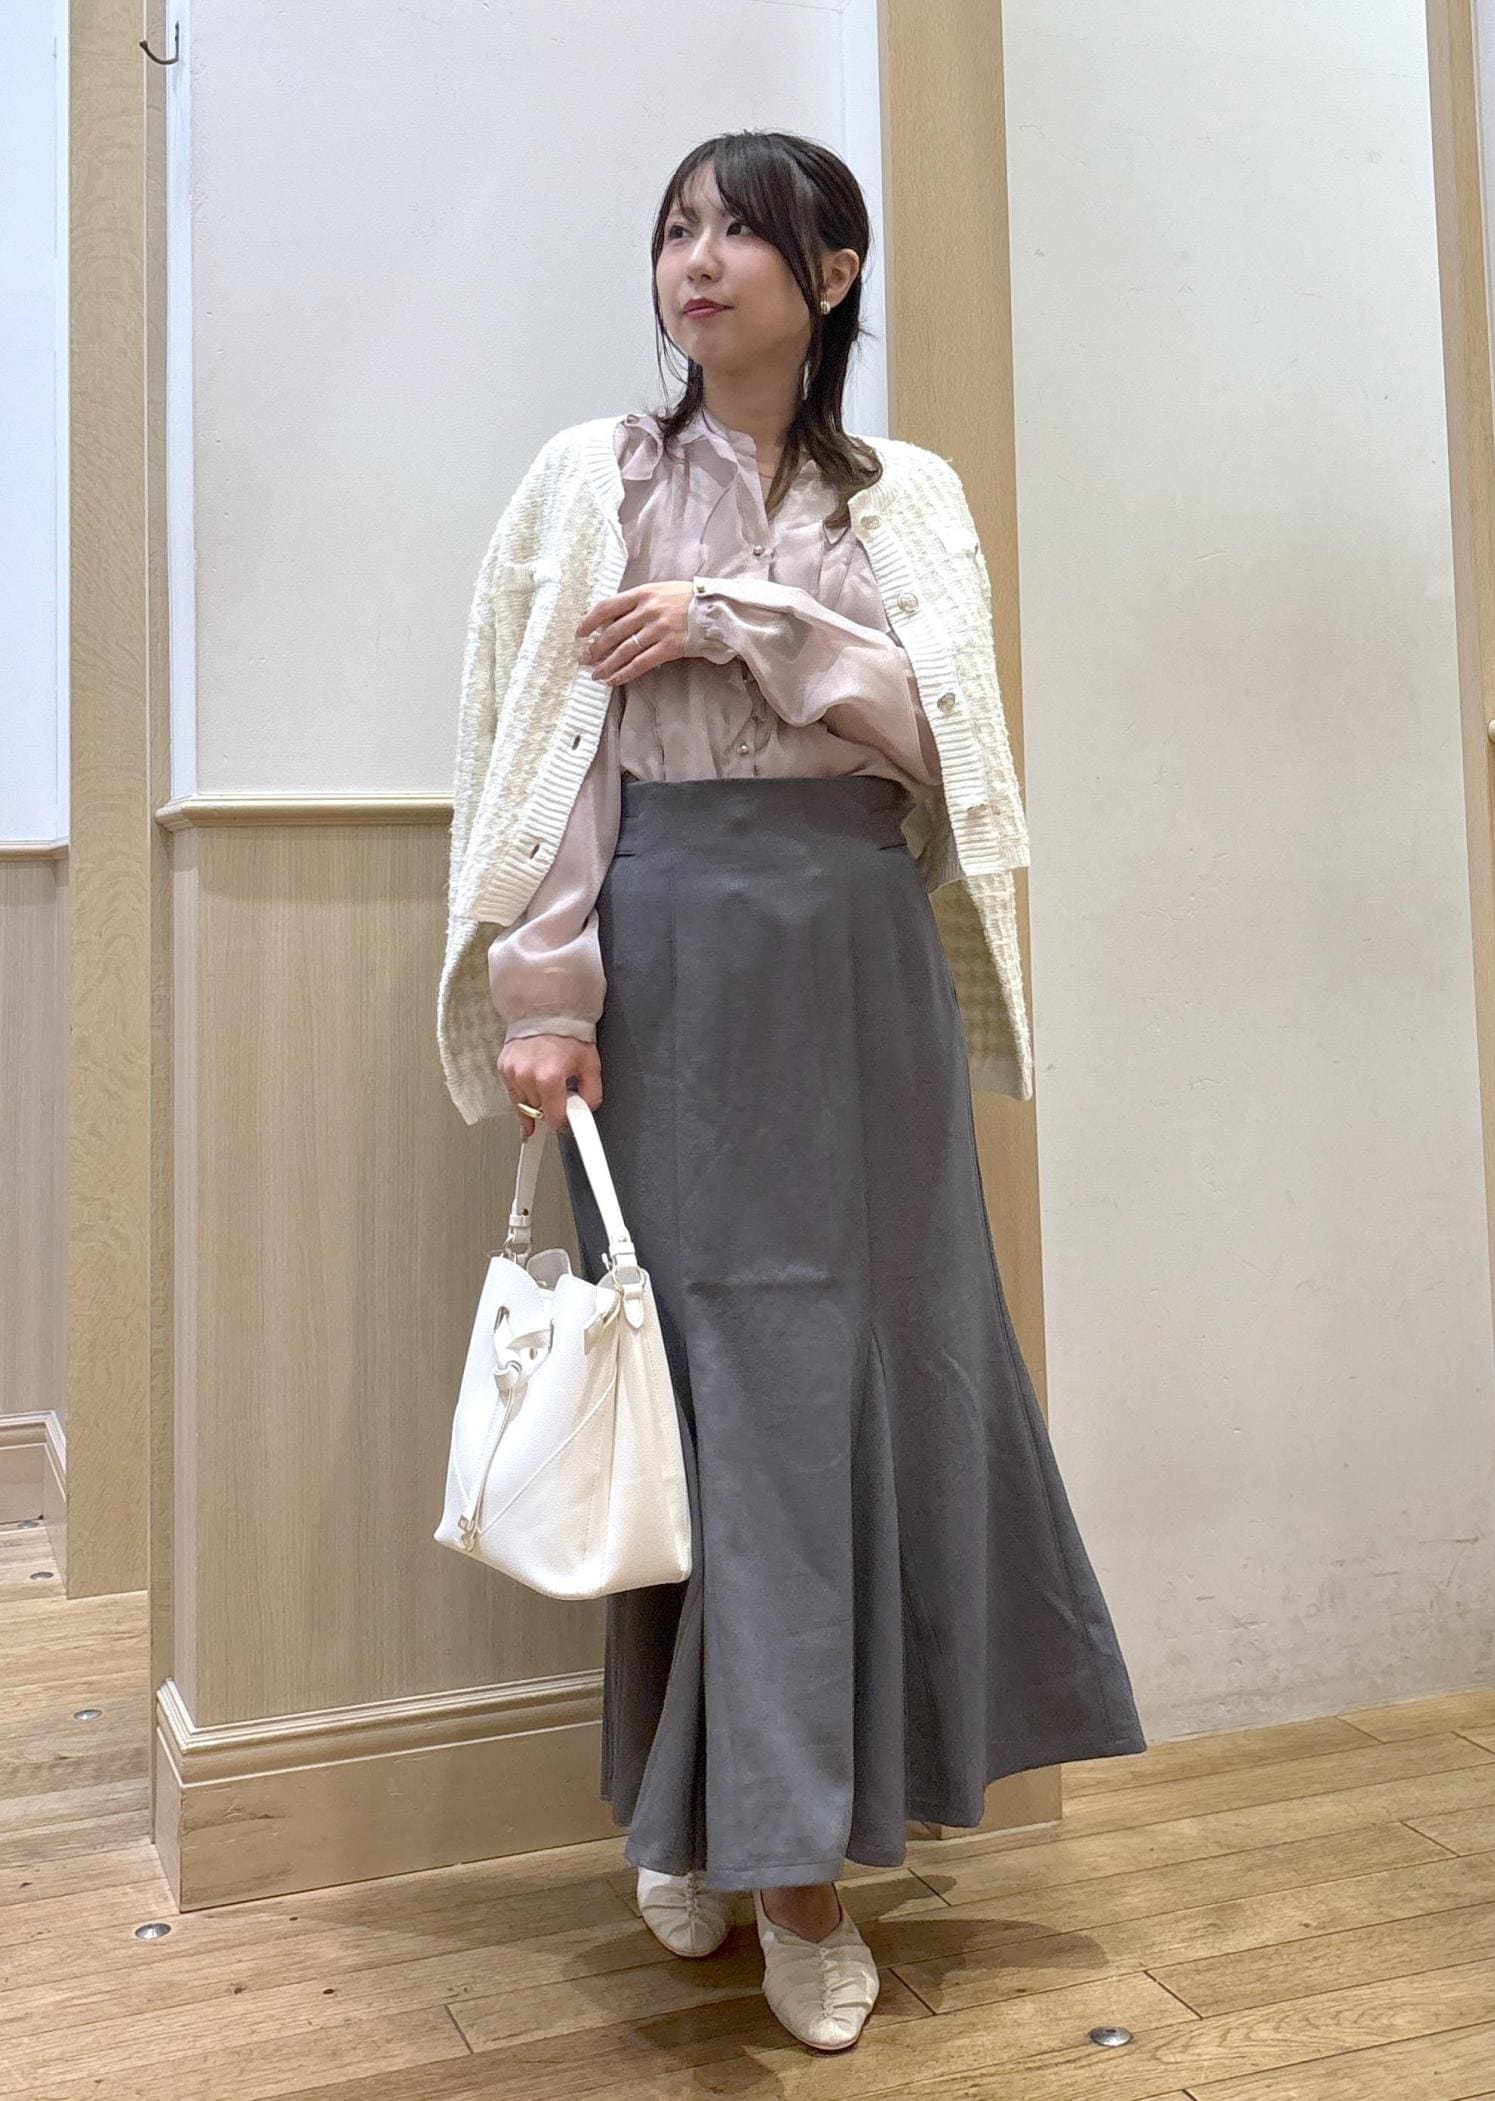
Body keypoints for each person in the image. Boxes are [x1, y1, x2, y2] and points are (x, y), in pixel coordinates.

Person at [480, 129, 1146, 2053]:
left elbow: (951, 747)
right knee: (697, 1401)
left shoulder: (904, 498)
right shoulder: (594, 479)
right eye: (675, 231)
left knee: (856, 1392)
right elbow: (550, 757)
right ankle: (717, 1813)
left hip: (855, 965)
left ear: (832, 273)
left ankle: (789, 1863)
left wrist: (743, 622)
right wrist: (546, 989)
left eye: (741, 234)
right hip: (670, 966)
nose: (698, 263)